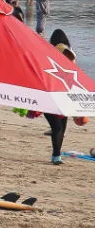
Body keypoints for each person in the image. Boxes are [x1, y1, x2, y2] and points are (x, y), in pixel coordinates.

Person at [44, 30, 87, 164]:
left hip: (50, 96)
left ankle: (56, 156)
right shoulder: (69, 54)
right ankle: (56, 156)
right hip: (62, 96)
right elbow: (76, 76)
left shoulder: (48, 52)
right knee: (60, 128)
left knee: (58, 128)